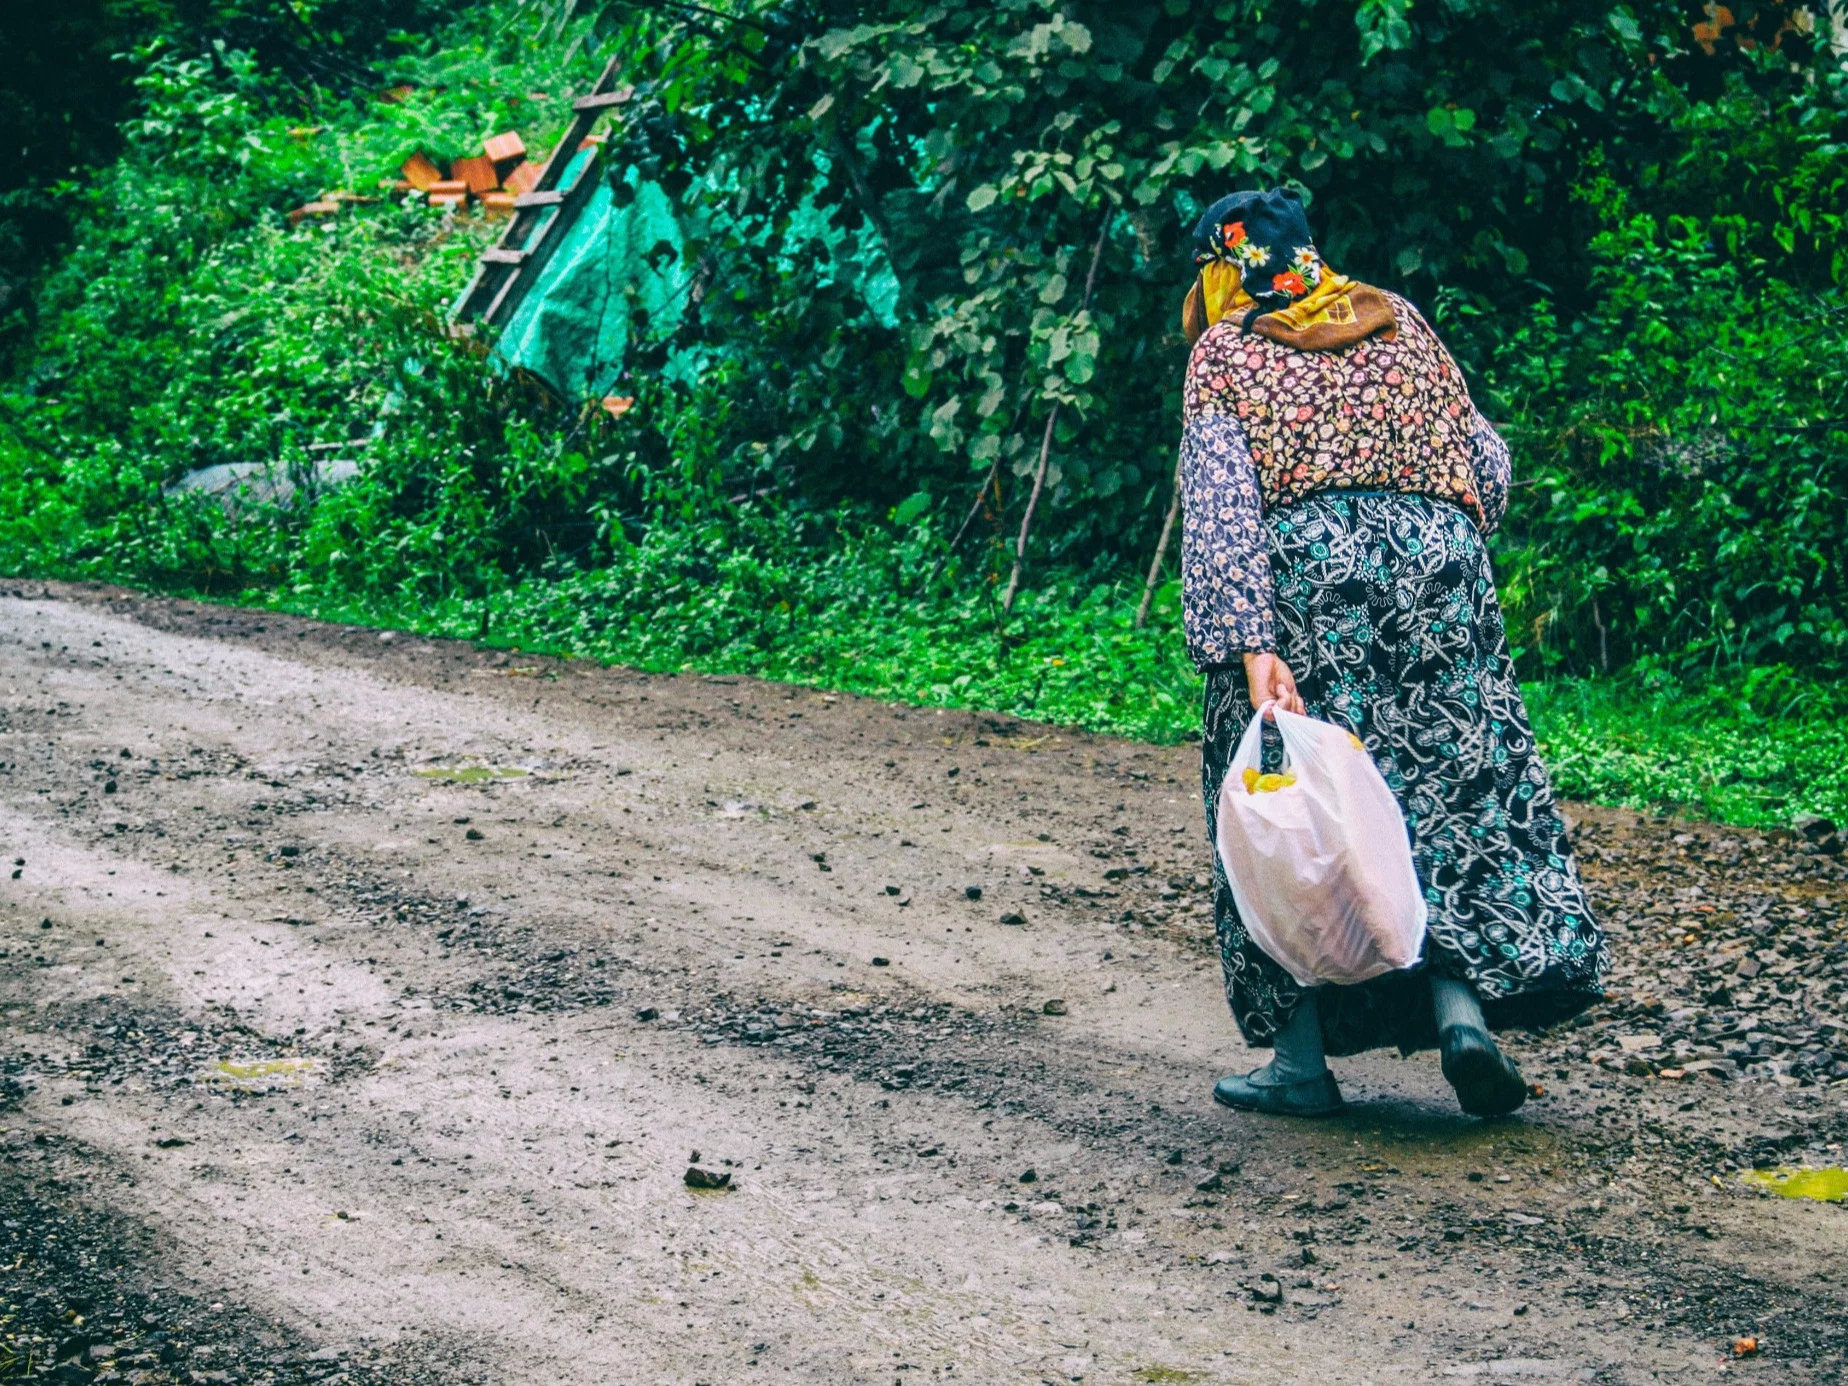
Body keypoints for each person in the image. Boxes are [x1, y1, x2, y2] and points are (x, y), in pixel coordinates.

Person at [1178, 188, 1609, 1119]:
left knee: (1284, 803)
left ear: (1229, 267)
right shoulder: (1398, 320)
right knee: (1443, 792)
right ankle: (1464, 1020)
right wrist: (1427, 540)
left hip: (1306, 590)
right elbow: (1486, 463)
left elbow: (1219, 511)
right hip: (1438, 576)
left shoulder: (1228, 350)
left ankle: (1301, 1066)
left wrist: (1251, 644)